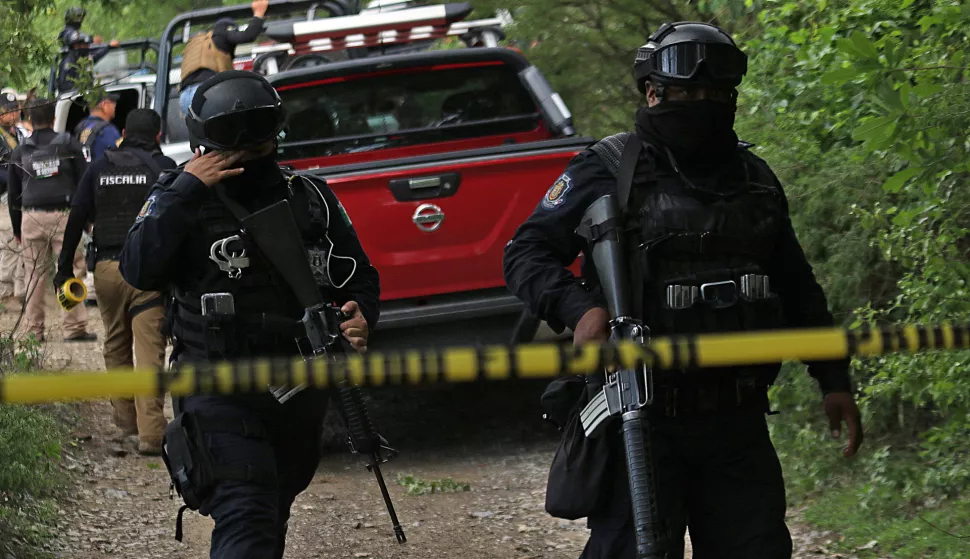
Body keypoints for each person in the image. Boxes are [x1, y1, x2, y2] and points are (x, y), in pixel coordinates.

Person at [503, 21, 864, 559]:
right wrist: (581, 308)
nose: (702, 104)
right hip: (639, 416)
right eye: (686, 93)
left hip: (736, 421)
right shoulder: (608, 168)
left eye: (716, 95)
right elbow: (527, 252)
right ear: (652, 93)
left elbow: (796, 286)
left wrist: (833, 379)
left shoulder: (755, 180)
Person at [119, 71, 380, 557]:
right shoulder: (179, 197)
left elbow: (358, 275)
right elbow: (138, 268)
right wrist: (183, 194)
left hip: (298, 386)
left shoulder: (309, 197)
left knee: (272, 507)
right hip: (216, 385)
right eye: (231, 139)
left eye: (256, 136)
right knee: (246, 510)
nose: (245, 150)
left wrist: (360, 314)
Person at [55, 109, 175, 454]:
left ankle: (125, 428)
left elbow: (77, 215)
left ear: (122, 132)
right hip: (148, 272)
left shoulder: (100, 166)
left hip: (107, 269)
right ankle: (152, 433)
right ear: (157, 135)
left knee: (117, 344)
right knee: (150, 349)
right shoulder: (163, 167)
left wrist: (64, 269)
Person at [6, 99, 95, 342]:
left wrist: (17, 229)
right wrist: (86, 220)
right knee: (71, 269)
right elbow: (84, 183)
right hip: (64, 217)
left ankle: (34, 332)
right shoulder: (68, 144)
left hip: (31, 217)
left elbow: (14, 195)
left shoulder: (21, 150)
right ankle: (74, 328)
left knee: (34, 274)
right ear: (54, 119)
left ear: (30, 120)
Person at [177, 0, 269, 118]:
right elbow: (248, 35)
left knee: (199, 134)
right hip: (207, 94)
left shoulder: (196, 43)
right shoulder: (222, 33)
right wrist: (259, 12)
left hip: (184, 97)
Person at [1, 93, 28, 306]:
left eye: (15, 108)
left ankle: (20, 291)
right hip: (3, 196)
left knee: (20, 245)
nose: (14, 112)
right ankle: (5, 293)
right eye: (9, 109)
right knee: (9, 244)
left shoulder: (19, 133)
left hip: (18, 195)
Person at [56, 7, 120, 94]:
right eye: (78, 17)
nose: (80, 19)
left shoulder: (81, 58)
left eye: (81, 17)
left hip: (84, 96)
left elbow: (94, 57)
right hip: (71, 98)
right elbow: (66, 88)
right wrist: (91, 39)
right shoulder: (69, 59)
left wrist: (108, 47)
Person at [74, 91, 122, 164]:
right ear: (104, 105)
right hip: (101, 173)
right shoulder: (108, 130)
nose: (114, 105)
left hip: (83, 173)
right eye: (112, 102)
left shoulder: (80, 126)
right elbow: (120, 156)